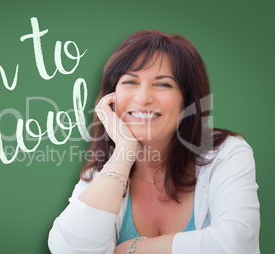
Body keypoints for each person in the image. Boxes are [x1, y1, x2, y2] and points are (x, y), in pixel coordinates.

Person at [48, 30, 260, 253]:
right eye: (130, 81)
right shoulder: (105, 172)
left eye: (163, 84)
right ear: (110, 99)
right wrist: (125, 152)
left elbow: (238, 244)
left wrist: (134, 249)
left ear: (187, 101)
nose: (142, 98)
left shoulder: (226, 153)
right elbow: (67, 249)